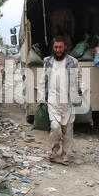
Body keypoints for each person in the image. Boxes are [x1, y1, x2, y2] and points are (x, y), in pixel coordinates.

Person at [38, 36, 83, 166]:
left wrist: (81, 89)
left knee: (68, 130)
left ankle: (65, 154)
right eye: (55, 47)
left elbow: (80, 77)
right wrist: (41, 97)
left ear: (65, 47)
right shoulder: (48, 61)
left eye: (60, 47)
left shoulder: (73, 62)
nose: (57, 50)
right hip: (53, 101)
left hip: (68, 102)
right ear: (53, 47)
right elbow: (42, 80)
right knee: (55, 127)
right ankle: (55, 146)